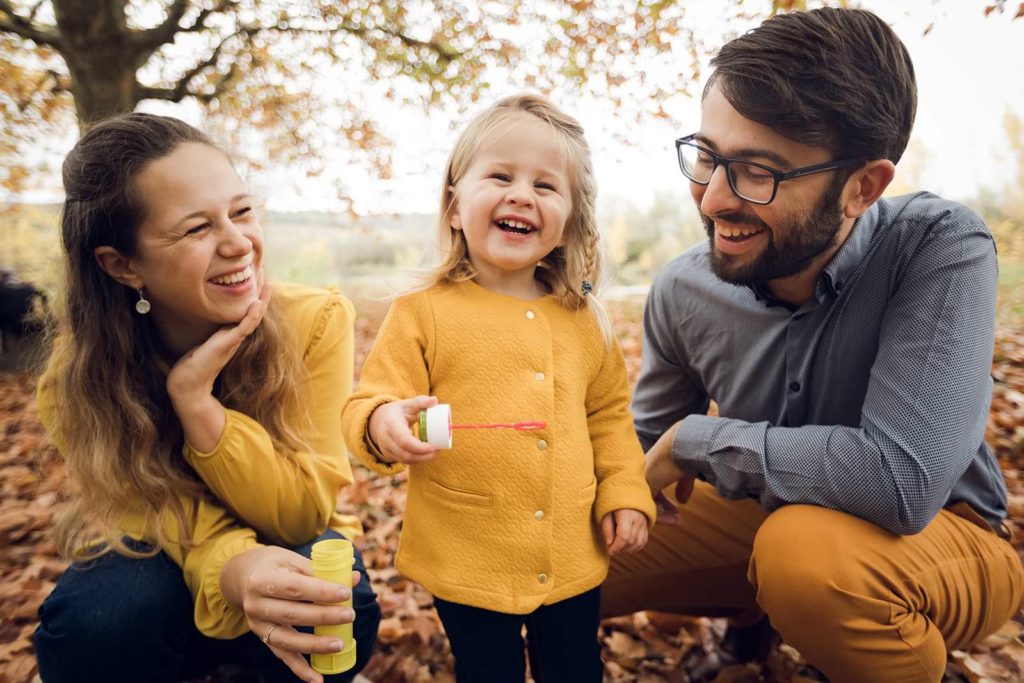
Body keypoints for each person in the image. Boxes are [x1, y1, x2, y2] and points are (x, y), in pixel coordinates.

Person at [601, 7, 1024, 683]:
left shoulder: (938, 247)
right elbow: (645, 449)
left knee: (804, 558)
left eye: (756, 172)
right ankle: (751, 619)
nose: (711, 199)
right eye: (707, 157)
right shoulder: (683, 286)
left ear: (862, 186)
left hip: (944, 536)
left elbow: (900, 481)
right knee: (565, 542)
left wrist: (700, 441)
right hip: (762, 523)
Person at [33, 113, 381, 683]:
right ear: (122, 265)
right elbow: (156, 514)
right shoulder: (76, 383)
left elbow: (300, 514)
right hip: (165, 547)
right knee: (98, 619)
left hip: (287, 530)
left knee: (335, 606)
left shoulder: (315, 322)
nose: (239, 242)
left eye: (241, 211)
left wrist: (199, 408)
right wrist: (235, 569)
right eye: (197, 229)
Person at [341, 94, 656, 682]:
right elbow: (370, 402)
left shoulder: (581, 317)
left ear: (569, 222)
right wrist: (383, 423)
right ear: (455, 206)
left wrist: (625, 492)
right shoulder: (422, 313)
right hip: (468, 552)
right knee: (488, 671)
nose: (521, 195)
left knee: (575, 668)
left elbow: (609, 416)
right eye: (501, 176)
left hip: (569, 551)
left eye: (545, 185)